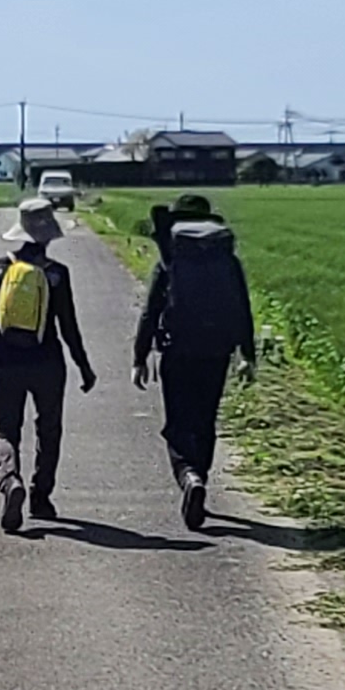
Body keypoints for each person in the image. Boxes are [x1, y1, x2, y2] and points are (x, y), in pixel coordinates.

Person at [132, 192, 257, 530]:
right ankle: (200, 475)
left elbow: (151, 311)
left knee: (178, 423)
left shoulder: (171, 259)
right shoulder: (227, 260)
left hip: (177, 351)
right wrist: (247, 355)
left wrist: (140, 357)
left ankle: (188, 475)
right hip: (216, 352)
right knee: (205, 419)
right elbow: (242, 308)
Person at [0, 197, 97, 532]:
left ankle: (10, 479)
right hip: (48, 363)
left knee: (5, 429)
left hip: (6, 361)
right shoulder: (57, 274)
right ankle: (40, 497)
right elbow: (68, 326)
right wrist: (83, 366)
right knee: (49, 428)